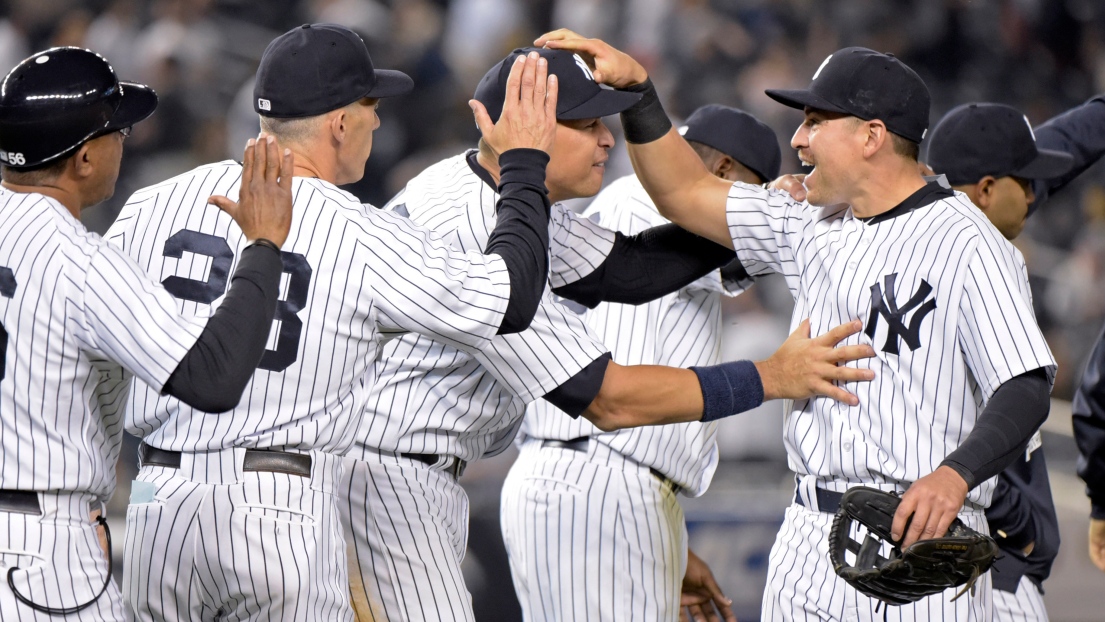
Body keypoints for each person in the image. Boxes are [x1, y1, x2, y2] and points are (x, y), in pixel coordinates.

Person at [340, 47, 875, 622]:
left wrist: (762, 214)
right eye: (588, 123)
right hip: (387, 475)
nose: (607, 140)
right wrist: (768, 377)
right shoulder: (477, 224)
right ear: (530, 128)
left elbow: (631, 270)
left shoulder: (496, 194)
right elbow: (606, 398)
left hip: (398, 469)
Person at [536, 31, 1057, 619]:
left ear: (871, 135)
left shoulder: (970, 243)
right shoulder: (805, 221)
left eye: (814, 121)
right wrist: (640, 94)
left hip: (920, 541)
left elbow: (1026, 384)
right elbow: (682, 190)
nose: (797, 138)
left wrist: (956, 476)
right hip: (809, 535)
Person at [105, 24, 560, 621]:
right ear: (340, 123)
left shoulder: (151, 205)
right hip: (281, 505)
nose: (378, 122)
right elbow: (510, 297)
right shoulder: (360, 233)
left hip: (156, 499)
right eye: (371, 106)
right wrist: (525, 163)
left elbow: (92, 360)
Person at [0, 47, 294, 619]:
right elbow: (212, 378)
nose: (126, 140)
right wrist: (262, 247)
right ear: (84, 158)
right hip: (40, 554)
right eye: (117, 131)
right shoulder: (79, 262)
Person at [500, 103, 781, 622]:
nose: (757, 214)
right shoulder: (652, 201)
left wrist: (664, 545)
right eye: (754, 194)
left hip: (587, 482)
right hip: (602, 479)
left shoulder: (629, 203)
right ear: (722, 175)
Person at [927, 99, 1105, 620]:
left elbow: (1059, 149)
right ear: (984, 189)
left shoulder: (960, 216)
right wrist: (1019, 524)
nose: (1034, 193)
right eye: (1022, 182)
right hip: (979, 562)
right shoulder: (946, 261)